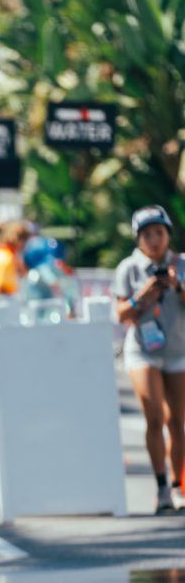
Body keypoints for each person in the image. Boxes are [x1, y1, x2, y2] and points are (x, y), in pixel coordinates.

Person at [114, 204, 185, 515]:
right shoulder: (129, 269)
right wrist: (143, 294)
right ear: (138, 239)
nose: (154, 240)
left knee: (177, 420)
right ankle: (160, 489)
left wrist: (178, 286)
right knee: (154, 416)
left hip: (178, 348)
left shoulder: (181, 264)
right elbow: (120, 314)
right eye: (147, 235)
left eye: (159, 233)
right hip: (143, 348)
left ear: (168, 234)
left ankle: (178, 485)